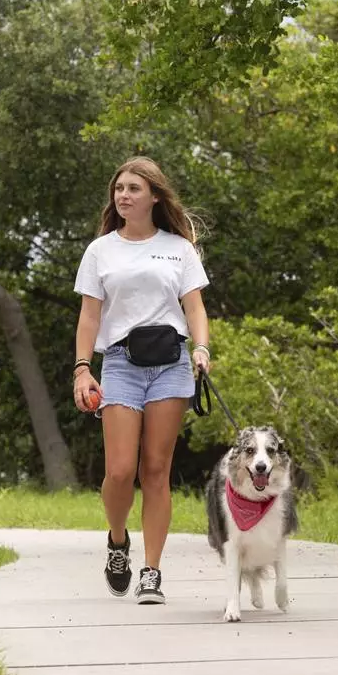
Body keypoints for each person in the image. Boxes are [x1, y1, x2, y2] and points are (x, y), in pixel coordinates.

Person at [72, 156, 212, 605]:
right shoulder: (101, 251)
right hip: (119, 365)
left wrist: (202, 349)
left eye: (134, 188)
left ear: (154, 196)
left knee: (156, 471)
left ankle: (151, 571)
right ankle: (118, 541)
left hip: (171, 365)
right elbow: (89, 315)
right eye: (119, 189)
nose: (124, 195)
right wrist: (81, 369)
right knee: (119, 471)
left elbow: (194, 308)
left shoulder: (179, 248)